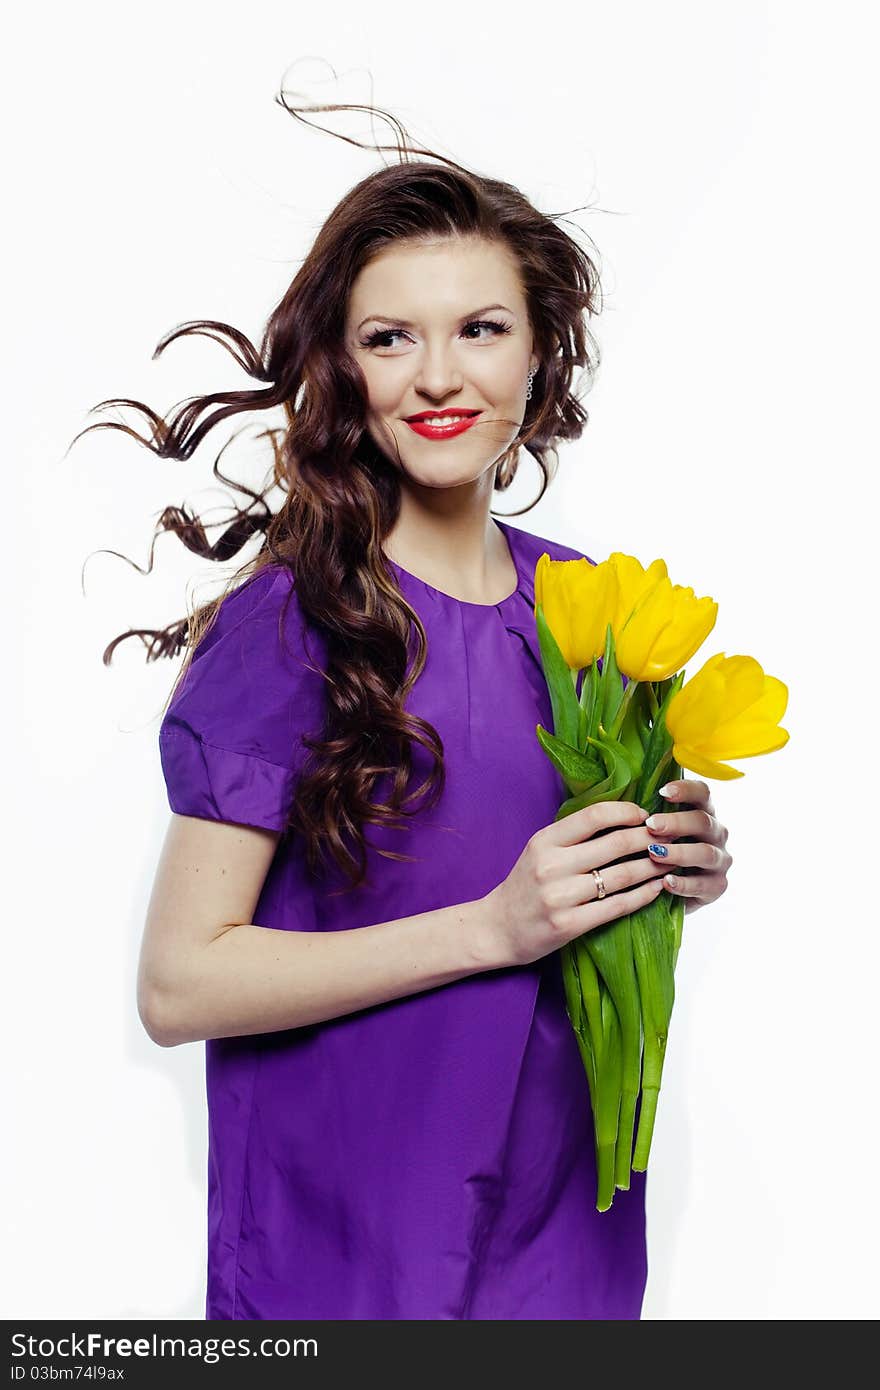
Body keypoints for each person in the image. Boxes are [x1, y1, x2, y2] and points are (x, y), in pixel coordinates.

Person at [91, 96, 731, 1320]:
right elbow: (178, 983)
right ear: (344, 367)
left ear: (540, 352)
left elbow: (563, 881)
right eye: (390, 339)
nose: (439, 377)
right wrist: (493, 927)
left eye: (481, 329)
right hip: (350, 1248)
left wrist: (664, 864)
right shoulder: (294, 622)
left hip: (564, 1228)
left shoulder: (587, 609)